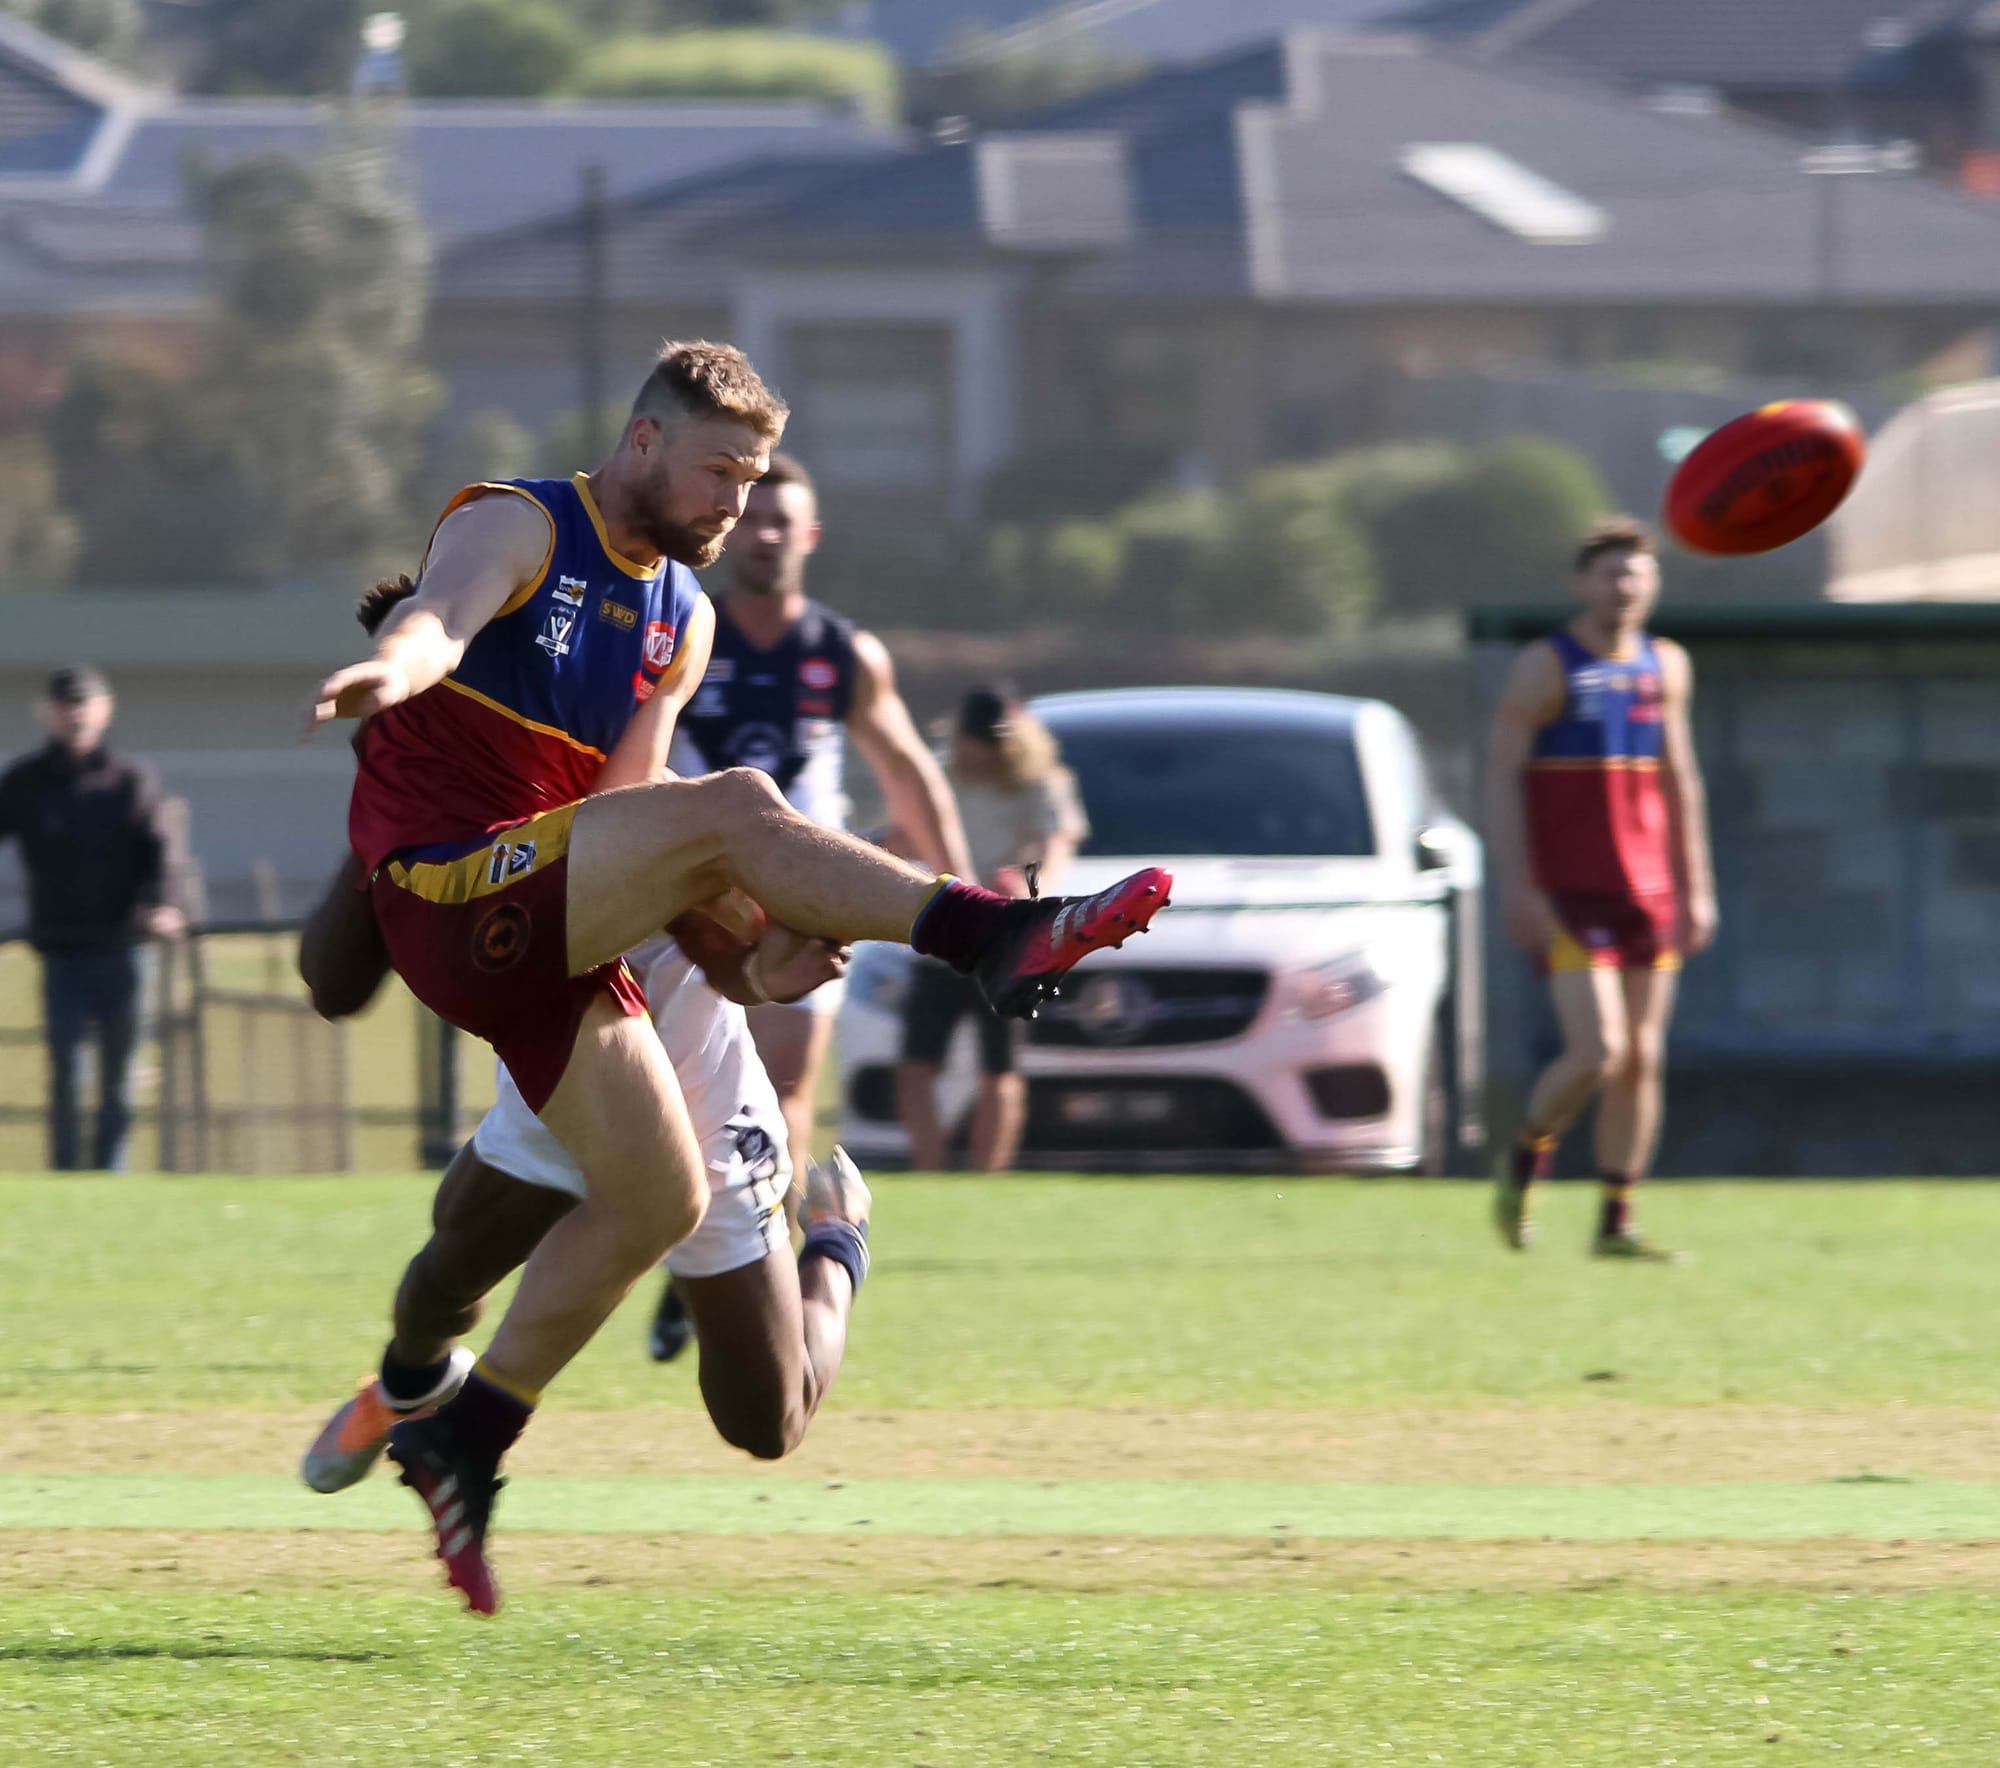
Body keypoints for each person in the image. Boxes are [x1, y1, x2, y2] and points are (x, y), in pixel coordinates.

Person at [306, 339, 1170, 1610]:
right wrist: (401, 660)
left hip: (562, 929)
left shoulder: (680, 618)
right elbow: (442, 614)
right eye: (721, 472)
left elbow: (628, 815)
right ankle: (991, 933)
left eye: (756, 479)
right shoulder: (519, 523)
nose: (738, 503)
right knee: (739, 806)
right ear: (643, 441)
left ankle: (465, 1440)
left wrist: (747, 961)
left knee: (659, 1209)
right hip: (455, 888)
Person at [649, 451, 973, 1359]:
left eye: (784, 521)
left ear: (811, 537)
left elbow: (910, 775)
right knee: (672, 1095)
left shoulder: (841, 652)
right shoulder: (686, 631)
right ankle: (689, 1249)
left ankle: (750, 1267)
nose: (766, 534)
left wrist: (968, 912)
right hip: (696, 898)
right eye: (753, 517)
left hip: (804, 904)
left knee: (784, 1092)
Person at [1485, 517, 1716, 1261]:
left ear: (1654, 586)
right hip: (1569, 893)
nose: (1625, 588)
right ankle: (1527, 1154)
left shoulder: (1666, 665)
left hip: (1648, 893)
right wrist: (1517, 884)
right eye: (1611, 574)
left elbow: (1680, 777)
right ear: (1583, 583)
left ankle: (1616, 1222)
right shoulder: (1544, 667)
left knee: (1644, 1057)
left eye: (1638, 575)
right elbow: (1500, 779)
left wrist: (1696, 885)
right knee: (1599, 1052)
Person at [896, 685, 1089, 1172]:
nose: (980, 750)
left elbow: (1057, 844)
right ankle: (929, 1170)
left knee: (998, 1068)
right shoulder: (941, 776)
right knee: (917, 1065)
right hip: (946, 935)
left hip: (1007, 942)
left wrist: (1032, 887)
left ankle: (989, 1174)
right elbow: (904, 832)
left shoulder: (1041, 784)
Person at [0, 666, 183, 1171]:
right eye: (65, 704)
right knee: (65, 1070)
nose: (75, 713)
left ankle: (109, 1172)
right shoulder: (26, 781)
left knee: (120, 1074)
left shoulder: (130, 781)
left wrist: (163, 906)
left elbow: (159, 851)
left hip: (123, 948)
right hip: (60, 949)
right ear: (47, 713)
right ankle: (65, 1171)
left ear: (105, 711)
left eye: (85, 703)